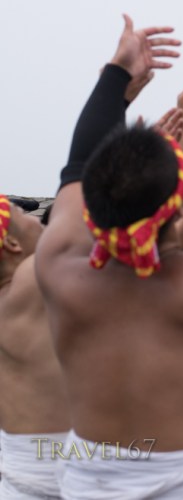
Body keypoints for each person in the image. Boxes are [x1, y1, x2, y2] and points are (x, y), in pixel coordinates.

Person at [35, 20, 183, 499]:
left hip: (91, 483)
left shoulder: (60, 266)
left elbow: (77, 167)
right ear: (179, 204)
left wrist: (117, 74)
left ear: (89, 205)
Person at [0, 196, 65, 498]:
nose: (35, 219)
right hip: (55, 476)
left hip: (17, 481)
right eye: (20, 213)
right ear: (12, 243)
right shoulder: (28, 283)